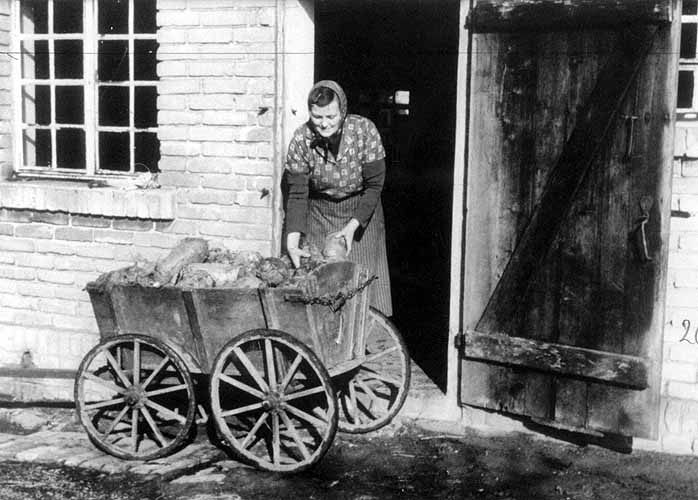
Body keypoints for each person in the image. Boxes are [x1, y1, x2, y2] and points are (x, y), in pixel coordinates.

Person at [283, 80, 392, 316]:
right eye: (317, 116)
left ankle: (369, 340)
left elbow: (374, 187)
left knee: (363, 285)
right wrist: (292, 242)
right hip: (320, 213)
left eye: (331, 116)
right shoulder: (301, 139)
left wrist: (352, 228)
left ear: (342, 110)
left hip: (361, 212)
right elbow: (298, 194)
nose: (324, 123)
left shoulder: (365, 131)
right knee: (323, 286)